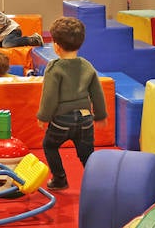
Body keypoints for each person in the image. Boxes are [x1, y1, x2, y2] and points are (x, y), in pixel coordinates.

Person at [36, 16, 108, 191]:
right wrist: (100, 115)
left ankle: (60, 178)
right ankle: (97, 183)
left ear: (57, 46)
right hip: (85, 119)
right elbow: (97, 93)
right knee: (86, 154)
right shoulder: (87, 65)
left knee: (49, 145)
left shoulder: (54, 67)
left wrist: (43, 116)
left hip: (62, 120)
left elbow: (50, 96)